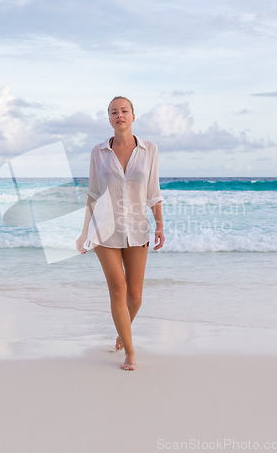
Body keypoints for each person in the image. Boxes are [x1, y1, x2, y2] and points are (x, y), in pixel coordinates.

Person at [76, 96, 165, 371]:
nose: (119, 115)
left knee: (135, 296)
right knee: (118, 289)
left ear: (133, 116)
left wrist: (160, 223)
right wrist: (83, 233)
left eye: (124, 111)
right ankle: (130, 350)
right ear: (110, 118)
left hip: (138, 228)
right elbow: (92, 194)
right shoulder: (98, 152)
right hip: (105, 230)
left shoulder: (149, 150)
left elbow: (153, 192)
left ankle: (122, 330)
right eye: (114, 112)